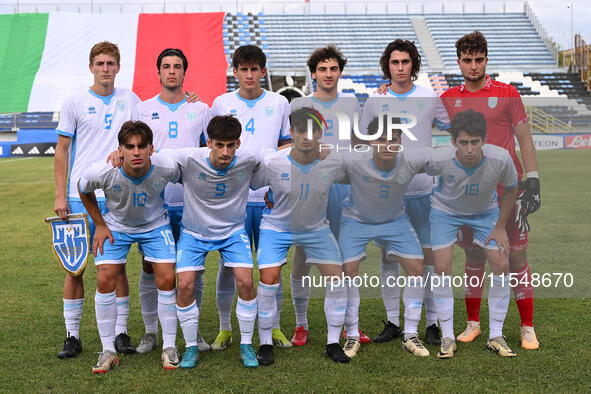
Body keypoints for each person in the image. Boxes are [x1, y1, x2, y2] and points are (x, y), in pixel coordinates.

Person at [440, 31, 541, 350]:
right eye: (467, 60)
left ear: (486, 60)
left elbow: (524, 137)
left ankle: (527, 327)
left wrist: (534, 179)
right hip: (468, 193)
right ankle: (473, 323)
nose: (473, 66)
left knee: (516, 257)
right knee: (473, 255)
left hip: (508, 190)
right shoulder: (447, 99)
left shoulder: (508, 93)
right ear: (459, 62)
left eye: (478, 59)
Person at [53, 41, 140, 358]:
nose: (105, 68)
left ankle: (120, 333)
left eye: (111, 63)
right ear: (91, 67)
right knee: (74, 267)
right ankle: (72, 335)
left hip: (116, 198)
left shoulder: (130, 100)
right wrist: (61, 194)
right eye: (100, 63)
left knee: (116, 269)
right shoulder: (75, 100)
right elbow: (62, 150)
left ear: (118, 67)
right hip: (78, 198)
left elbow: (142, 139)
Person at [365, 39, 450, 346]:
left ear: (413, 64)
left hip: (423, 191)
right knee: (389, 257)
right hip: (388, 193)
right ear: (387, 66)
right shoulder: (376, 98)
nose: (400, 68)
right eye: (394, 63)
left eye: (405, 62)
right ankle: (392, 321)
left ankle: (431, 323)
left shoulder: (429, 96)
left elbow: (455, 127)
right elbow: (364, 140)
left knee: (426, 258)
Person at [78, 121, 180, 373]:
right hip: (116, 227)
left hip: (155, 225)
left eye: (142, 146)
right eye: (130, 146)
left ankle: (169, 346)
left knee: (167, 278)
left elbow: (187, 175)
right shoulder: (103, 171)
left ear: (151, 148)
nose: (136, 152)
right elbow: (83, 189)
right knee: (105, 280)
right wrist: (99, 224)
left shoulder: (166, 167)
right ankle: (107, 351)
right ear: (120, 149)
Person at [208, 45, 292, 350]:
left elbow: (286, 146)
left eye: (255, 69)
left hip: (270, 198)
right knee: (229, 266)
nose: (249, 75)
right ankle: (224, 328)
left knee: (273, 265)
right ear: (235, 72)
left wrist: (275, 179)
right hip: (233, 199)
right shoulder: (221, 102)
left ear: (263, 72)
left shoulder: (280, 102)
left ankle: (276, 326)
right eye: (243, 69)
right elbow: (212, 149)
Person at [164, 115, 264, 368]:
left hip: (232, 232)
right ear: (208, 142)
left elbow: (277, 158)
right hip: (194, 232)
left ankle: (246, 345)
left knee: (246, 281)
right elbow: (157, 156)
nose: (225, 151)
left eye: (231, 145)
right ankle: (190, 348)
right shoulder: (188, 158)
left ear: (238, 144)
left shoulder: (250, 159)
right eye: (219, 144)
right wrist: (118, 152)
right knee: (185, 285)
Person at [254, 107, 350, 365]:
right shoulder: (274, 162)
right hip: (277, 229)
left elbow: (356, 168)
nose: (306, 137)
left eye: (312, 132)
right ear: (292, 133)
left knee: (337, 280)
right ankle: (264, 343)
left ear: (320, 133)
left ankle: (332, 343)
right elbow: (253, 182)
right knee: (269, 280)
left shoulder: (333, 160)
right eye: (300, 131)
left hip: (316, 229)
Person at [131, 48, 210, 354]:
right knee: (151, 267)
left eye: (178, 66)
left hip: (192, 202)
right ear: (159, 72)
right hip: (155, 204)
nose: (172, 71)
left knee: (194, 268)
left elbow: (211, 150)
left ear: (184, 73)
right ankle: (152, 332)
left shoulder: (200, 109)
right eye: (167, 66)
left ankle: (193, 329)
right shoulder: (143, 109)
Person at [289, 45, 366, 346]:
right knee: (303, 256)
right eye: (322, 69)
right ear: (313, 74)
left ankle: (351, 326)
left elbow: (360, 145)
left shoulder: (351, 103)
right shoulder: (300, 104)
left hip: (344, 189)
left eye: (333, 69)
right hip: (310, 188)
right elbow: (292, 145)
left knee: (349, 258)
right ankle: (301, 323)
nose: (328, 74)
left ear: (340, 72)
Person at [426, 109, 518, 359]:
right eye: (463, 142)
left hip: (485, 212)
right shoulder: (439, 159)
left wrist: (500, 227)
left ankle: (496, 335)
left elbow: (511, 189)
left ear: (484, 140)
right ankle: (447, 336)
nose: (469, 149)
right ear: (453, 141)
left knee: (501, 263)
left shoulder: (500, 158)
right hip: (445, 212)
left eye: (474, 142)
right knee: (442, 267)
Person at [338, 116, 431, 358]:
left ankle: (410, 334)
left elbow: (448, 155)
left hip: (394, 221)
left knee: (416, 267)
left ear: (401, 141)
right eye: (381, 139)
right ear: (370, 142)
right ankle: (351, 335)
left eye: (394, 139)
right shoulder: (353, 158)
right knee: (347, 271)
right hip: (356, 220)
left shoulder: (410, 160)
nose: (388, 145)